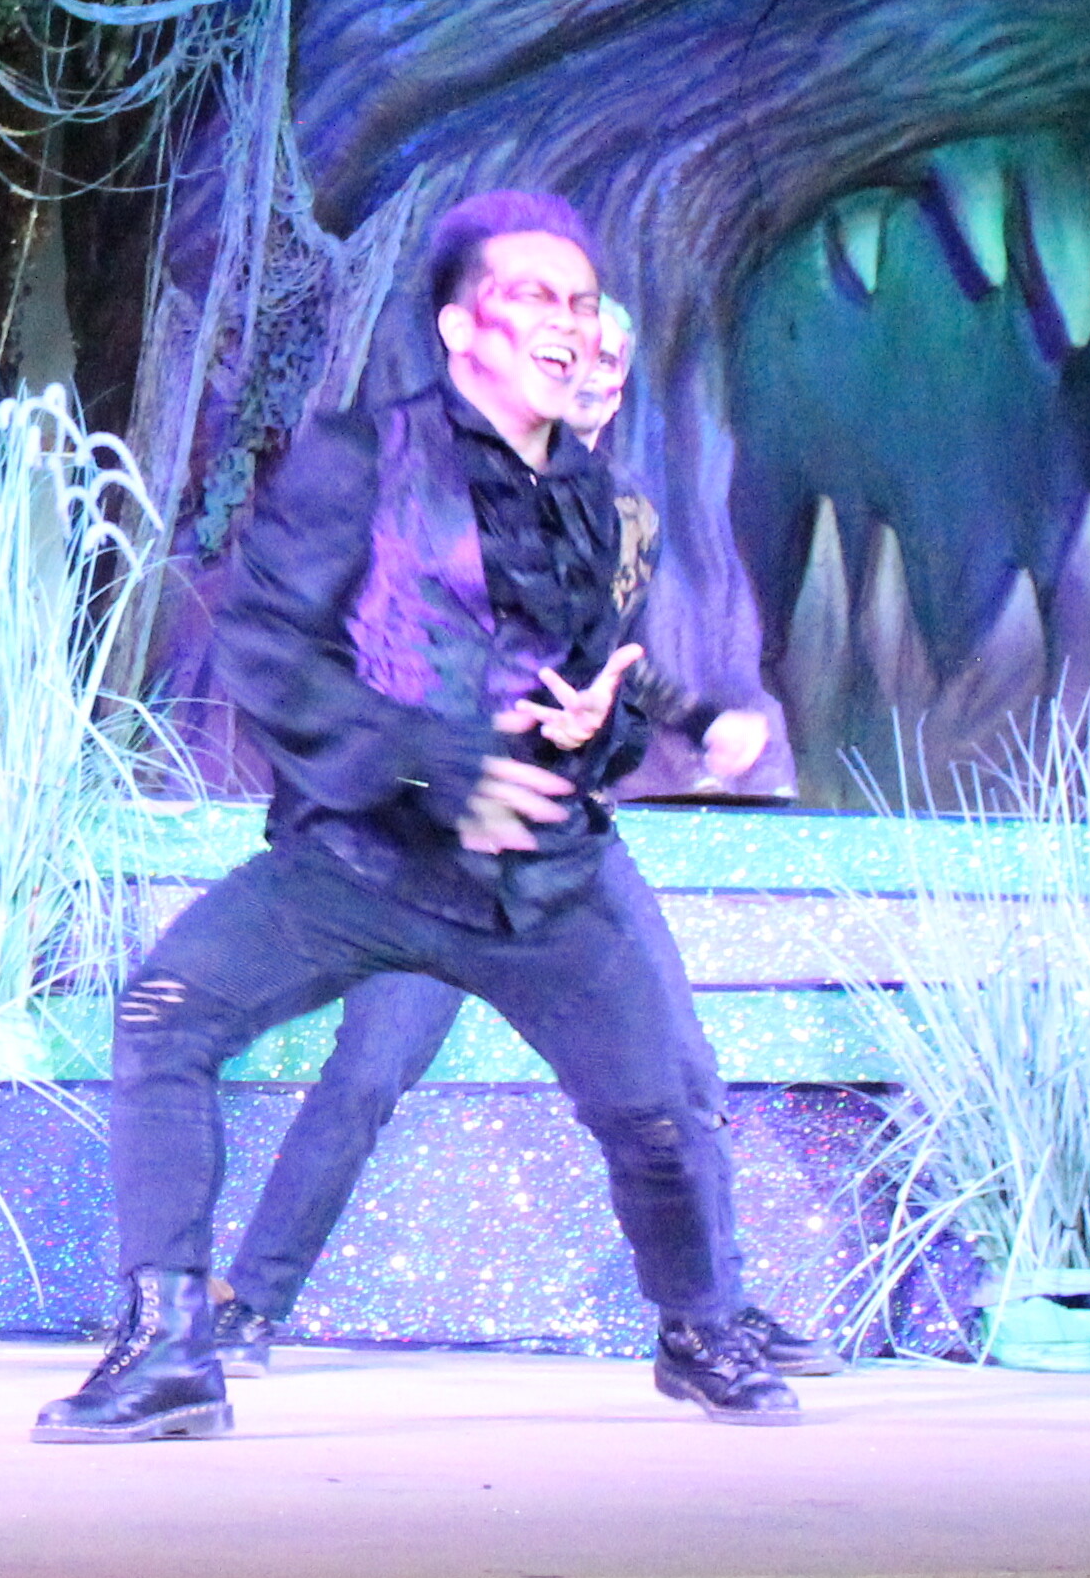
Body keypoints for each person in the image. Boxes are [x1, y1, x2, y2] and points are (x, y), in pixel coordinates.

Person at [39, 192, 820, 1442]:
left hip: (534, 874)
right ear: (461, 327)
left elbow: (593, 691)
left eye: (582, 301)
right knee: (166, 1016)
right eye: (535, 296)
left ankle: (701, 1329)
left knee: (660, 1108)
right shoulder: (358, 457)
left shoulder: (600, 504)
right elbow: (269, 650)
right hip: (362, 858)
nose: (569, 322)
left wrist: (599, 728)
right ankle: (173, 1349)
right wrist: (434, 764)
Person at [204, 301, 835, 1387]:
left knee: (678, 1073)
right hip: (434, 844)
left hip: (559, 843)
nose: (596, 373)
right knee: (369, 1071)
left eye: (613, 360)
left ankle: (714, 1314)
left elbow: (609, 667)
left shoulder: (620, 518)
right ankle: (250, 1305)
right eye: (576, 353)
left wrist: (688, 722)